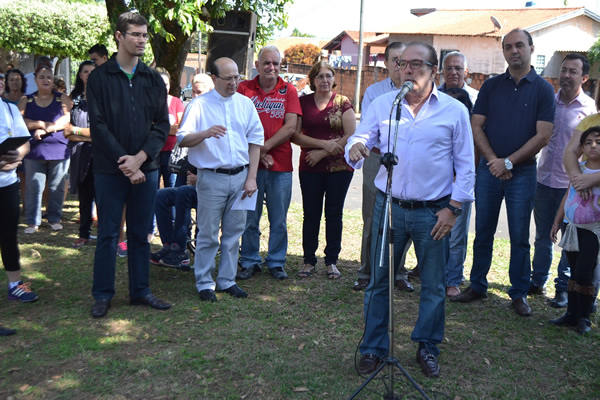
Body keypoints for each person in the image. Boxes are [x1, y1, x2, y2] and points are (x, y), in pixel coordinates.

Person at [345, 42, 475, 378]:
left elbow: (466, 166)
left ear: (434, 70)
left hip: (434, 212)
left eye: (416, 64)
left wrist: (453, 209)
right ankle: (374, 347)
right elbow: (360, 136)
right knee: (379, 281)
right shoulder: (384, 105)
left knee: (432, 285)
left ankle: (427, 346)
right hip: (389, 207)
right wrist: (355, 146)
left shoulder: (454, 111)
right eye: (403, 63)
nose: (407, 69)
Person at [451, 29, 555, 317]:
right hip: (489, 171)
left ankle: (519, 293)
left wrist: (508, 162)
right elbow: (476, 125)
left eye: (519, 45)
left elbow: (544, 135)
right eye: (508, 47)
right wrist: (494, 161)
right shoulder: (491, 86)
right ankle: (477, 285)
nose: (514, 51)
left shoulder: (543, 89)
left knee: (519, 235)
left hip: (523, 173)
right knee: (483, 230)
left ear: (531, 48)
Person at [86, 11, 171, 318]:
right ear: (119, 36)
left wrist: (140, 158)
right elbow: (98, 126)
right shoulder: (100, 78)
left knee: (139, 233)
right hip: (110, 170)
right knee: (109, 234)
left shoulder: (152, 78)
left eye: (145, 35)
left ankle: (140, 291)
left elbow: (162, 124)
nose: (142, 40)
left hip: (146, 169)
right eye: (136, 34)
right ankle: (102, 295)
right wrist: (125, 161)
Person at [178, 57, 263, 302]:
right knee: (207, 233)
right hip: (211, 178)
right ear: (214, 78)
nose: (234, 82)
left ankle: (227, 280)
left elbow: (255, 142)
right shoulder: (199, 105)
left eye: (237, 77)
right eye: (228, 78)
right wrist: (205, 133)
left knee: (234, 233)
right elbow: (182, 139)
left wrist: (252, 178)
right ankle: (205, 282)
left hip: (240, 177)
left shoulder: (245, 104)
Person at [528, 54, 595, 307]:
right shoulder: (548, 103)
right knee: (543, 235)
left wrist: (582, 181)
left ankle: (563, 288)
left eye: (573, 72)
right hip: (543, 180)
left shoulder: (590, 110)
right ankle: (538, 280)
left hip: (574, 188)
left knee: (571, 240)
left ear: (584, 78)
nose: (566, 75)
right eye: (564, 70)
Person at [237, 45, 302, 281]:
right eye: (266, 63)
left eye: (275, 63)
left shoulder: (289, 90)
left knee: (278, 218)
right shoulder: (244, 88)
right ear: (257, 65)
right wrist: (257, 153)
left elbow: (290, 127)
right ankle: (249, 260)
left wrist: (263, 148)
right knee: (249, 217)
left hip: (280, 165)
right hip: (250, 166)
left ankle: (276, 261)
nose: (271, 67)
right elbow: (238, 124)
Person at [353, 42, 414, 293]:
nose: (400, 66)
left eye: (404, 60)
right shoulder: (375, 92)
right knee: (372, 217)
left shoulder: (417, 92)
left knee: (404, 217)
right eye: (395, 60)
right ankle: (366, 271)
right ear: (386, 63)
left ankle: (398, 272)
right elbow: (369, 129)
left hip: (407, 161)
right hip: (377, 158)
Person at [292, 61, 355, 280]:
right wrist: (322, 145)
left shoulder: (343, 102)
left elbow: (350, 134)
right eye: (320, 76)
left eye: (328, 75)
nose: (325, 80)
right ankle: (309, 260)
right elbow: (295, 135)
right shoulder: (302, 102)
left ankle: (331, 261)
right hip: (310, 166)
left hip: (340, 167)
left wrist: (323, 152)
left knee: (334, 214)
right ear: (312, 80)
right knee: (311, 213)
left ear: (334, 78)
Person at [550, 126, 600, 335]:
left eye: (598, 142)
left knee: (584, 273)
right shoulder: (578, 169)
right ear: (582, 148)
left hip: (592, 230)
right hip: (571, 227)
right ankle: (571, 314)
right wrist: (557, 222)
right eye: (588, 143)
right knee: (572, 270)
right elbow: (568, 195)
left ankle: (584, 317)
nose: (593, 146)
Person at [438, 51, 479, 298]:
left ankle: (453, 279)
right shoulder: (432, 96)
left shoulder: (476, 98)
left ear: (466, 72)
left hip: (462, 177)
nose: (453, 72)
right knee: (435, 230)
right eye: (449, 68)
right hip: (436, 179)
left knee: (456, 233)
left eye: (458, 68)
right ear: (442, 71)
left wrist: (463, 175)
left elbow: (476, 142)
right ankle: (434, 275)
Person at [1, 90, 40, 336]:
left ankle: (15, 285)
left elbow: (24, 143)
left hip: (7, 184)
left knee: (8, 236)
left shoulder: (9, 108)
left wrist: (17, 156)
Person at [18, 65, 72, 234]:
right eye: (41, 77)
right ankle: (33, 222)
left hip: (59, 149)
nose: (46, 80)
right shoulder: (26, 100)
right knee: (34, 186)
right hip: (34, 151)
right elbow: (20, 121)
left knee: (57, 187)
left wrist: (49, 129)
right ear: (35, 80)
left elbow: (67, 118)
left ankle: (54, 218)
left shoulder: (62, 98)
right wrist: (40, 124)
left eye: (49, 77)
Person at [65, 60, 96, 248]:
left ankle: (108, 235)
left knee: (103, 197)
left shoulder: (104, 97)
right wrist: (88, 135)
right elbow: (66, 132)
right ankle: (84, 234)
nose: (89, 75)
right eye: (85, 71)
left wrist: (77, 132)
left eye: (93, 71)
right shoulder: (73, 99)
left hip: (100, 155)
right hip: (79, 155)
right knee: (84, 198)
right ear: (80, 75)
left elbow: (101, 133)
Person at [150, 170, 197, 269]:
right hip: (191, 182)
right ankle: (169, 246)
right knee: (160, 195)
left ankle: (179, 250)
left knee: (183, 192)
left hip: (212, 188)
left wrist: (201, 179)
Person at [156, 68, 184, 189]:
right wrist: (170, 129)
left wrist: (157, 127)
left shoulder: (176, 102)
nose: (164, 87)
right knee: (152, 188)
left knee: (171, 187)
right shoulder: (148, 103)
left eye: (166, 84)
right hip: (153, 152)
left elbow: (180, 128)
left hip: (171, 153)